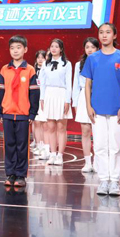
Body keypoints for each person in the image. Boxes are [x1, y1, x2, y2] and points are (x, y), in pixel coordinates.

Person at [82, 23, 120, 197]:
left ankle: (114, 181)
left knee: (116, 146)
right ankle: (103, 179)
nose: (104, 35)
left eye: (108, 32)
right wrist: (88, 106)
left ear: (114, 35)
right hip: (97, 109)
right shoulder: (93, 58)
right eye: (101, 32)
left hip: (117, 109)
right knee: (99, 145)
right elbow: (88, 84)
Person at [0, 35, 40, 188]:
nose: (15, 51)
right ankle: (10, 173)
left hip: (23, 115)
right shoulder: (4, 69)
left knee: (22, 146)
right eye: (12, 48)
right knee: (9, 145)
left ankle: (21, 175)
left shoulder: (30, 70)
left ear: (25, 49)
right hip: (7, 113)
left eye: (18, 48)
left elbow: (34, 94)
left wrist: (32, 113)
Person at [39, 38, 72, 166]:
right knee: (50, 127)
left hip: (61, 94)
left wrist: (67, 100)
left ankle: (60, 155)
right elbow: (42, 82)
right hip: (49, 94)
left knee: (61, 127)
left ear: (61, 49)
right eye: (52, 46)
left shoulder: (67, 64)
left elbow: (68, 83)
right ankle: (52, 154)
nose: (53, 49)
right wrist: (42, 98)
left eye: (56, 46)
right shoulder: (45, 64)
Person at [72, 37, 99, 173]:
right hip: (83, 97)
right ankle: (88, 162)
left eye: (92, 47)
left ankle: (98, 162)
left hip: (99, 95)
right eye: (87, 47)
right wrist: (75, 103)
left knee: (98, 131)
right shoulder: (79, 65)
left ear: (97, 48)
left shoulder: (102, 62)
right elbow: (76, 85)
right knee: (85, 131)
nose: (90, 50)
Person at [32, 50, 47, 157]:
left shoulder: (47, 69)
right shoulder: (32, 70)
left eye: (42, 57)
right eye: (38, 57)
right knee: (36, 122)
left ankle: (44, 146)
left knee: (43, 123)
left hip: (44, 98)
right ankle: (38, 144)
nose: (40, 60)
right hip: (35, 97)